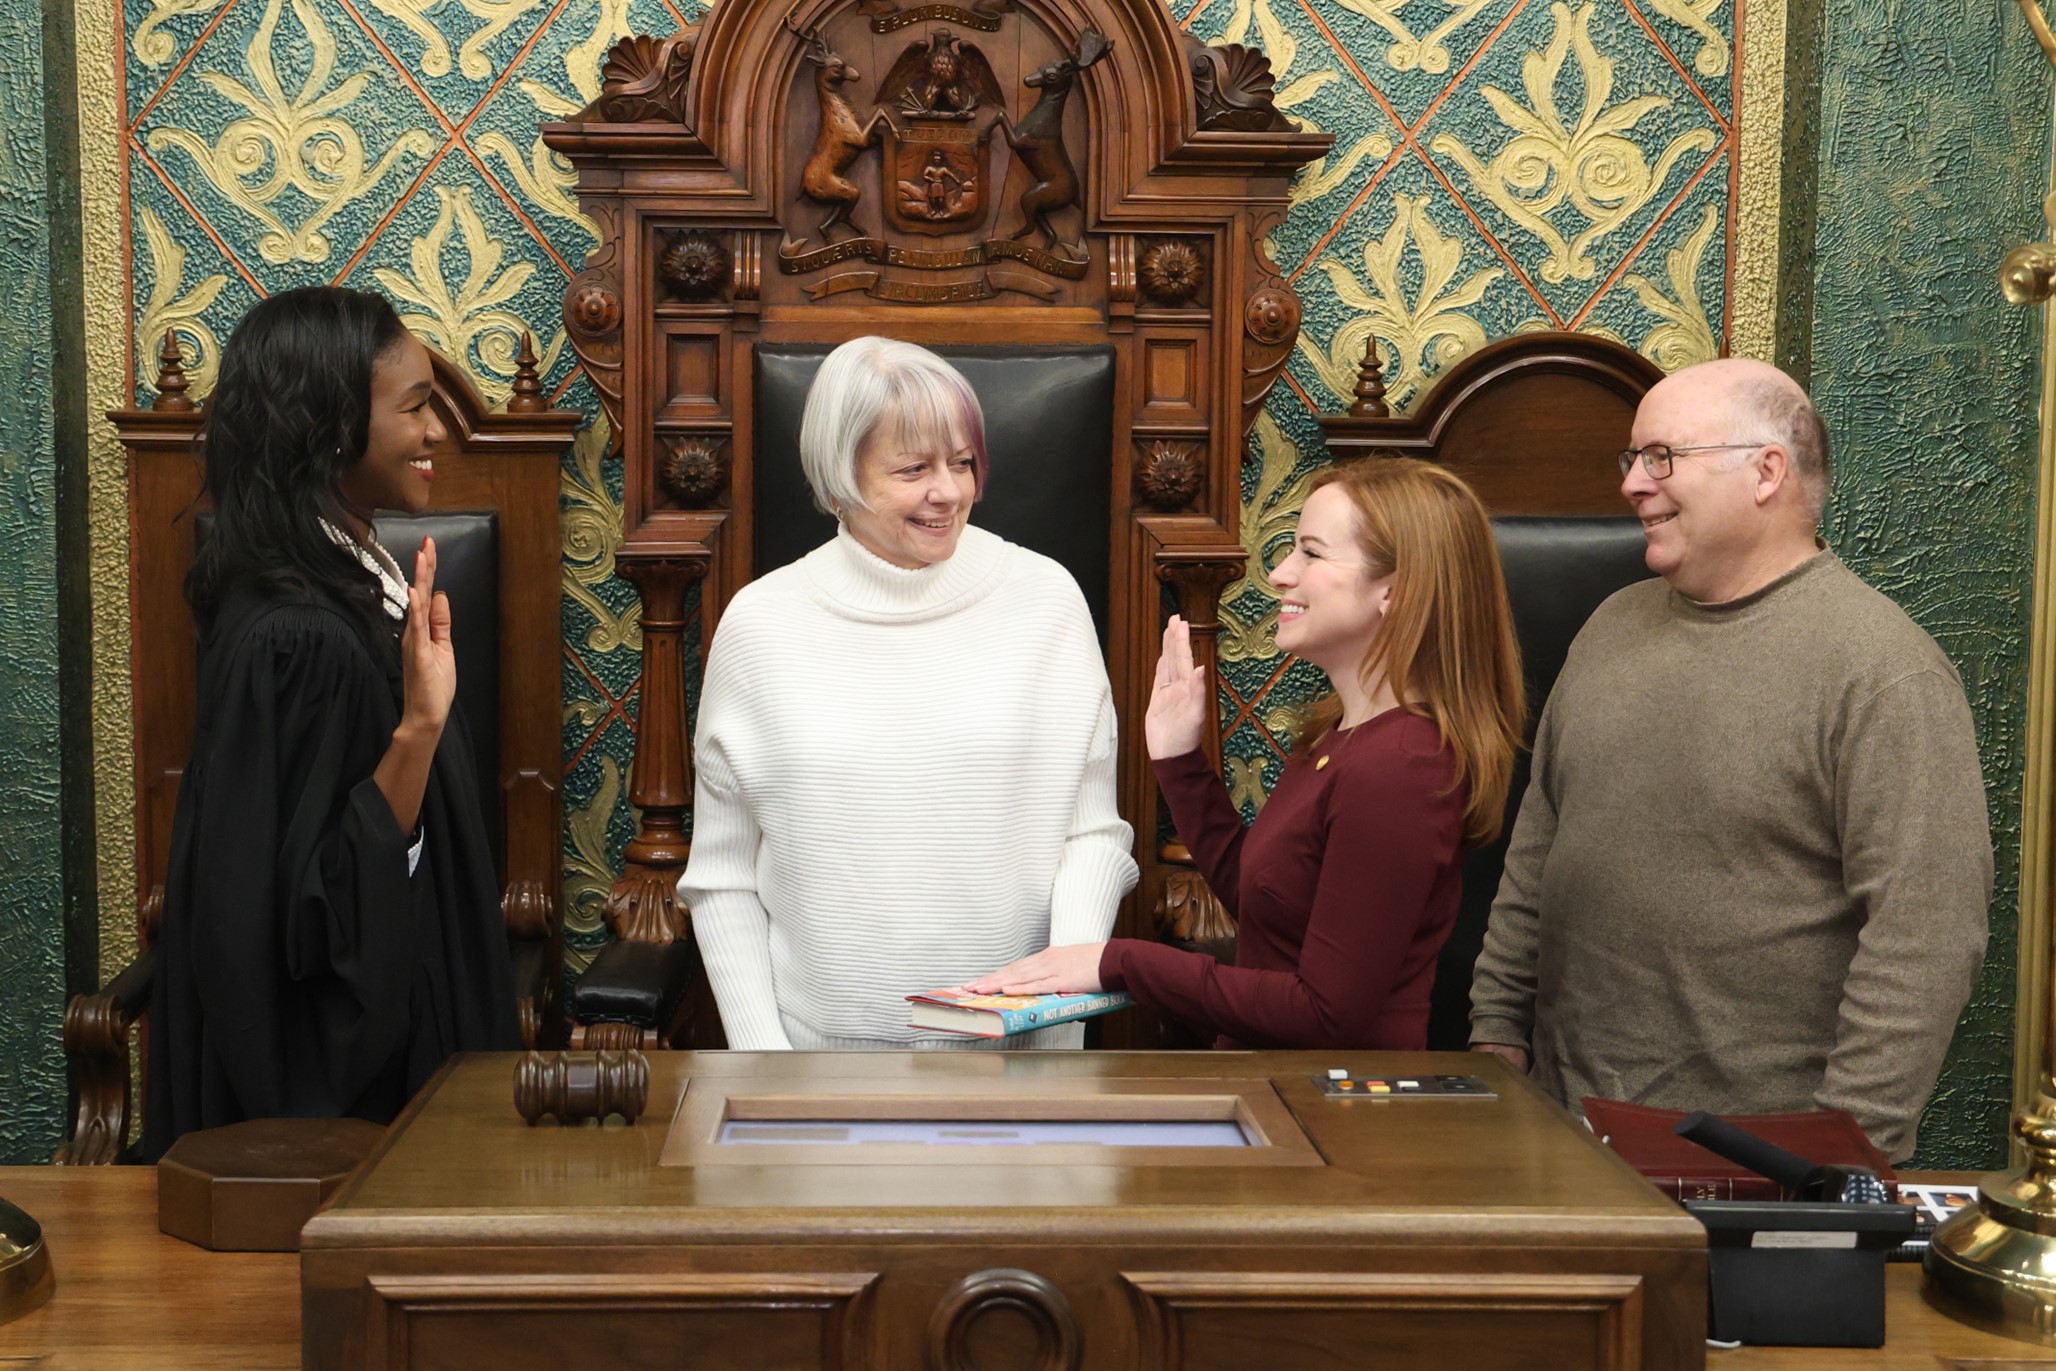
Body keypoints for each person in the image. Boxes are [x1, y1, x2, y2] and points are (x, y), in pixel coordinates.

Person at [1468, 357, 1991, 1162]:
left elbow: (1925, 938)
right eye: (1632, 459)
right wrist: (1496, 1034)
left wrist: (1837, 1155)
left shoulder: (1885, 672)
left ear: (1766, 471)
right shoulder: (1610, 625)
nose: (1634, 484)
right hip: (1562, 1141)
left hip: (1759, 1172)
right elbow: (1537, 849)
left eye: (1663, 457)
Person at [968, 458, 1525, 1050]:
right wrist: (1180, 759)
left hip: (1336, 1118)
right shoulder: (1343, 733)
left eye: (1311, 553)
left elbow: (1326, 1014)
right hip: (1281, 1098)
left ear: (1396, 590)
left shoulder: (1400, 767)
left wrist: (1121, 961)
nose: (1281, 573)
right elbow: (1267, 908)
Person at [678, 335, 1137, 1049]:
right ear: (840, 478)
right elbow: (723, 876)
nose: (949, 492)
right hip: (815, 1071)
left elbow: (1093, 835)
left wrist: (1052, 1000)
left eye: (961, 463)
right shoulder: (760, 626)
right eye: (913, 468)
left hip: (1025, 1064)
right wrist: (764, 1064)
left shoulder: (1047, 600)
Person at [143, 287, 517, 1159]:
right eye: (416, 408)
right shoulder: (299, 641)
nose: (435, 434)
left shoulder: (343, 583)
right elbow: (311, 923)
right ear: (331, 426)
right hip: (334, 1129)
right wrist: (419, 728)